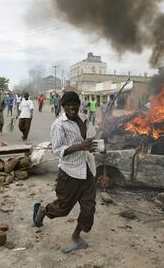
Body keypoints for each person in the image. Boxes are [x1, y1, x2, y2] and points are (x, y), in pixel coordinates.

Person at [33, 91, 97, 254]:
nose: (71, 107)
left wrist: (96, 147)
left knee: (89, 209)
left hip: (87, 169)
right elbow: (56, 149)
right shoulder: (58, 124)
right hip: (69, 172)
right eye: (67, 105)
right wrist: (80, 146)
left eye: (74, 104)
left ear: (78, 104)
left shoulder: (85, 118)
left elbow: (90, 138)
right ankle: (43, 210)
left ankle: (76, 237)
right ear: (62, 107)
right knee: (63, 209)